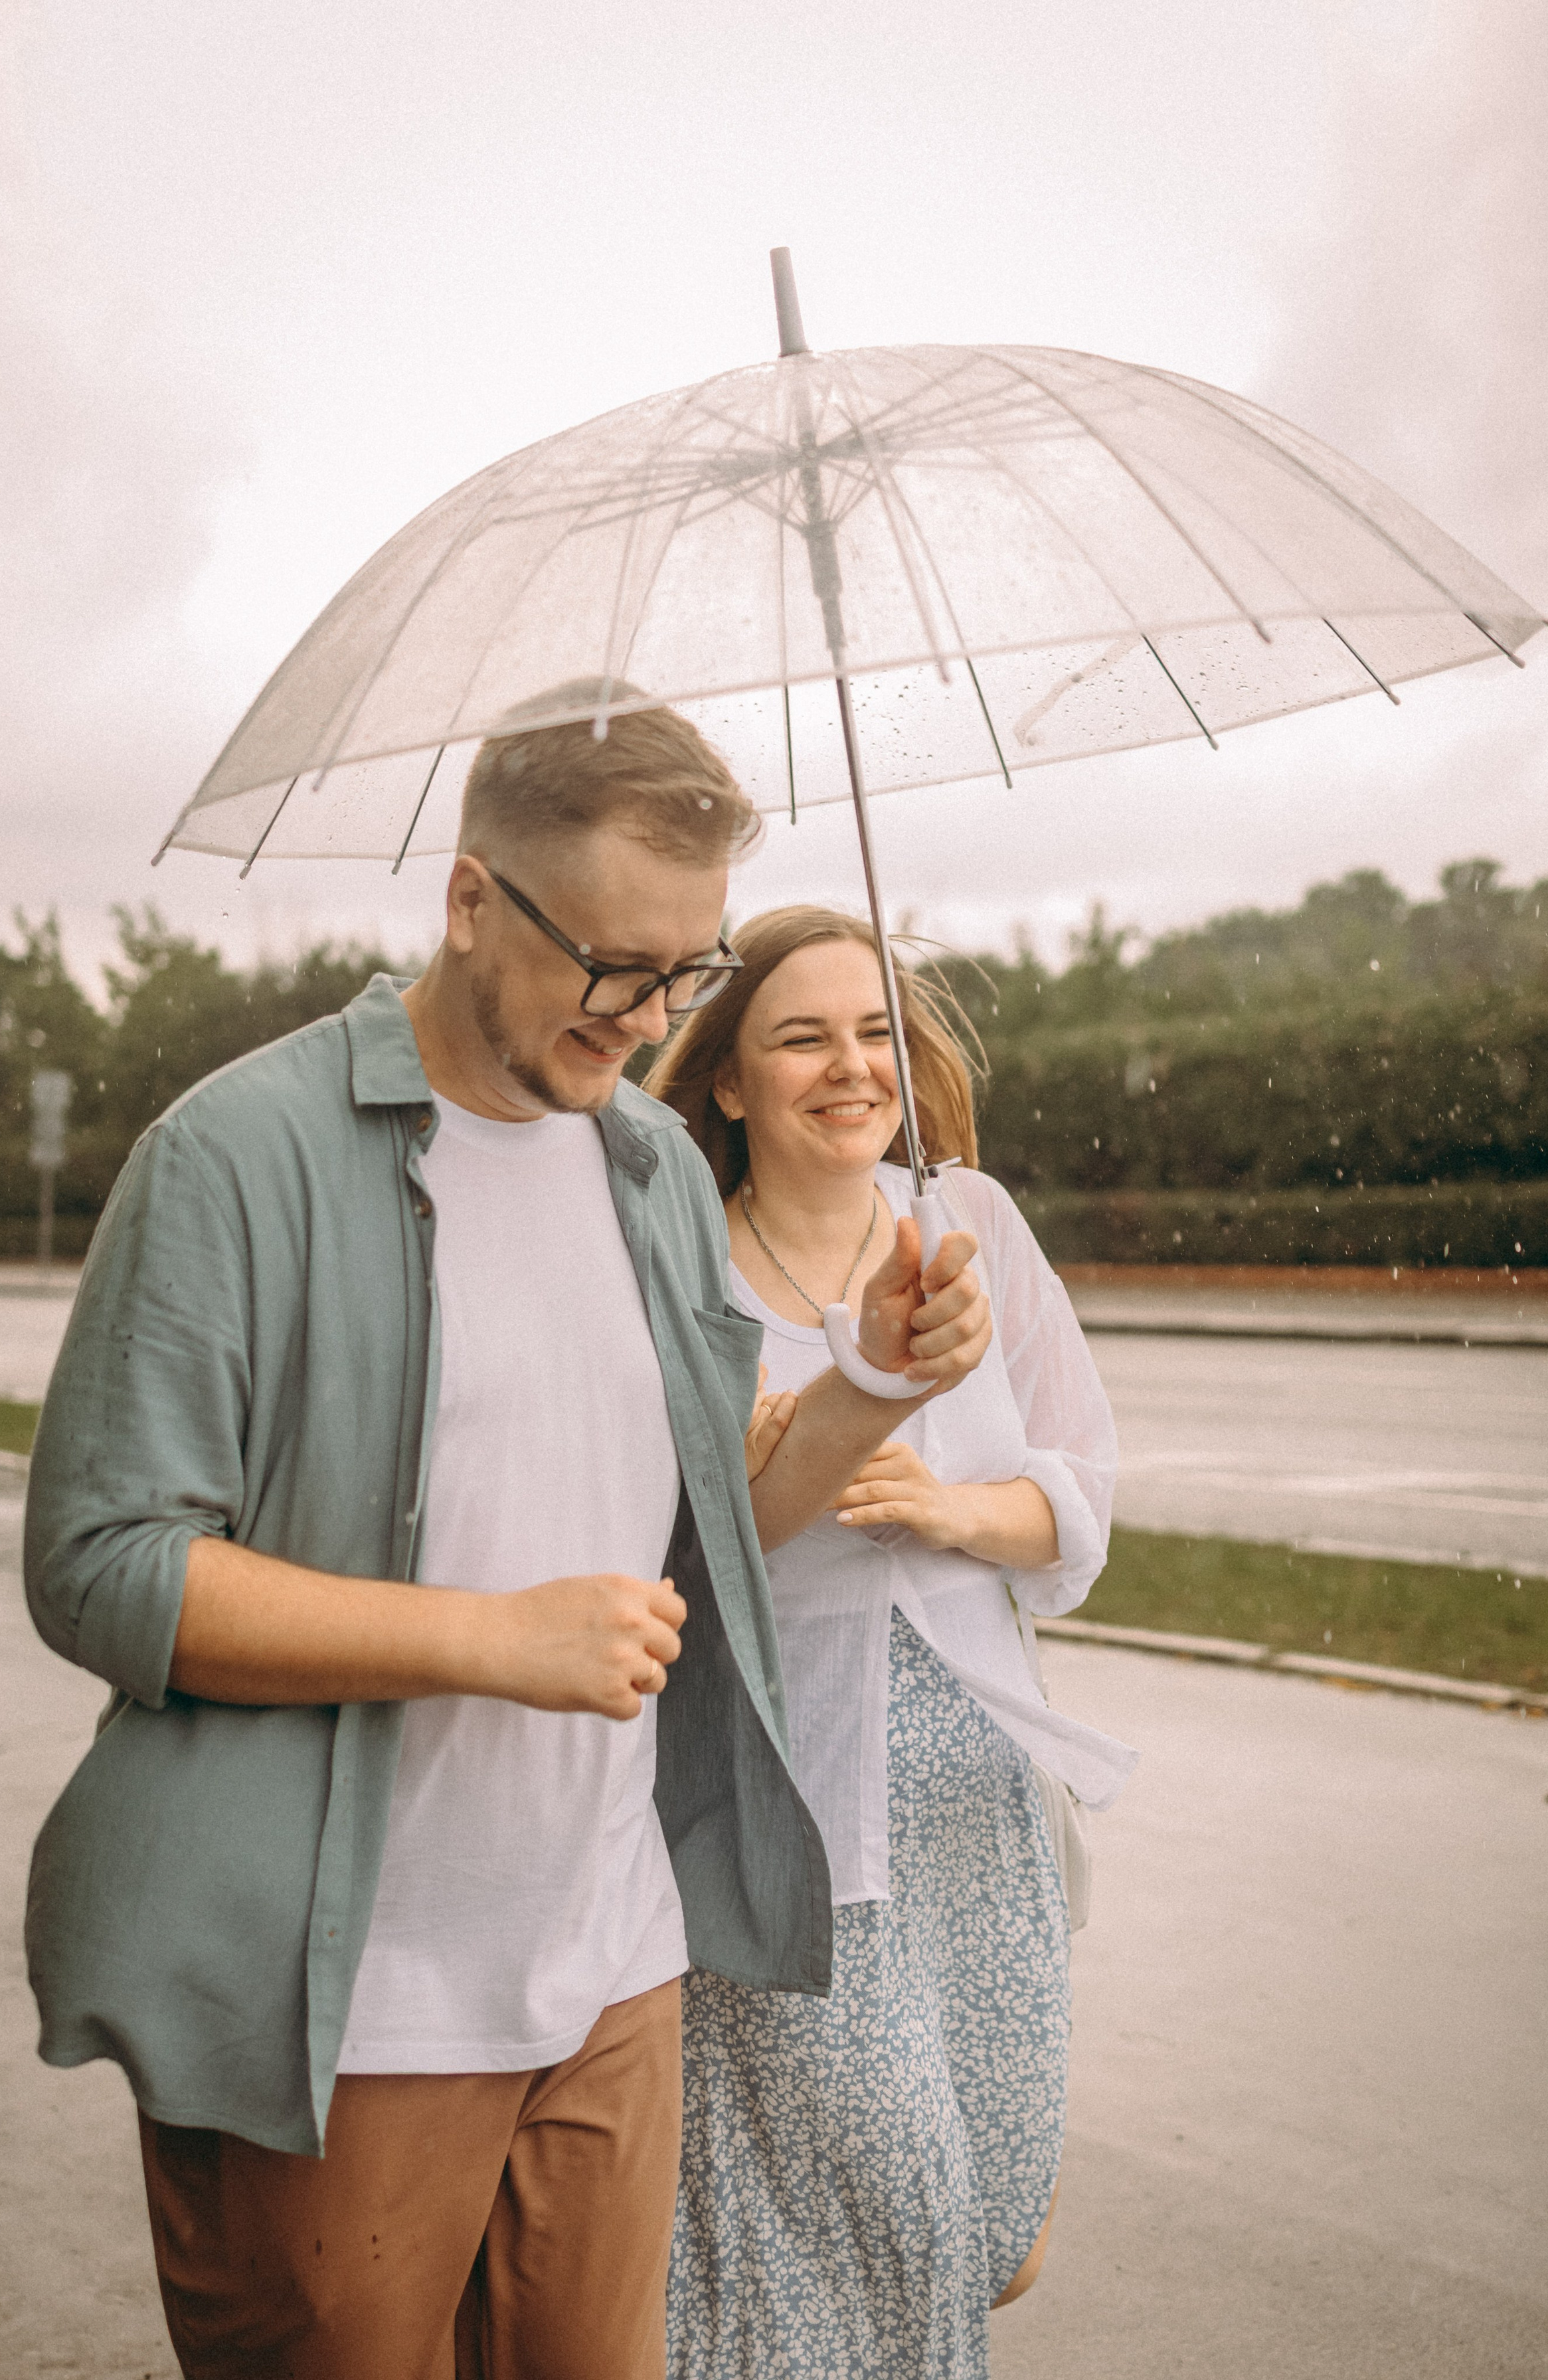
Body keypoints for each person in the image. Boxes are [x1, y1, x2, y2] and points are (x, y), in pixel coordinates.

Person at [21, 701, 995, 2380]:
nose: (647, 1015)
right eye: (611, 963)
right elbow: (103, 1564)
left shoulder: (646, 1169)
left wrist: (864, 1383)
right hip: (343, 2006)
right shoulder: (233, 1156)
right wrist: (485, 1635)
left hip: (612, 1964)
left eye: (684, 973)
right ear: (470, 898)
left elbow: (703, 1531)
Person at [646, 906, 1138, 2380]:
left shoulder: (966, 1222)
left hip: (979, 1809)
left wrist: (947, 1509)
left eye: (872, 1031)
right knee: (885, 2229)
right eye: (800, 1036)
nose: (849, 1065)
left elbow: (1081, 1501)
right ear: (728, 1082)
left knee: (991, 2230)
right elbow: (689, 1548)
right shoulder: (688, 1266)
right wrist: (816, 1429)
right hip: (799, 1817)